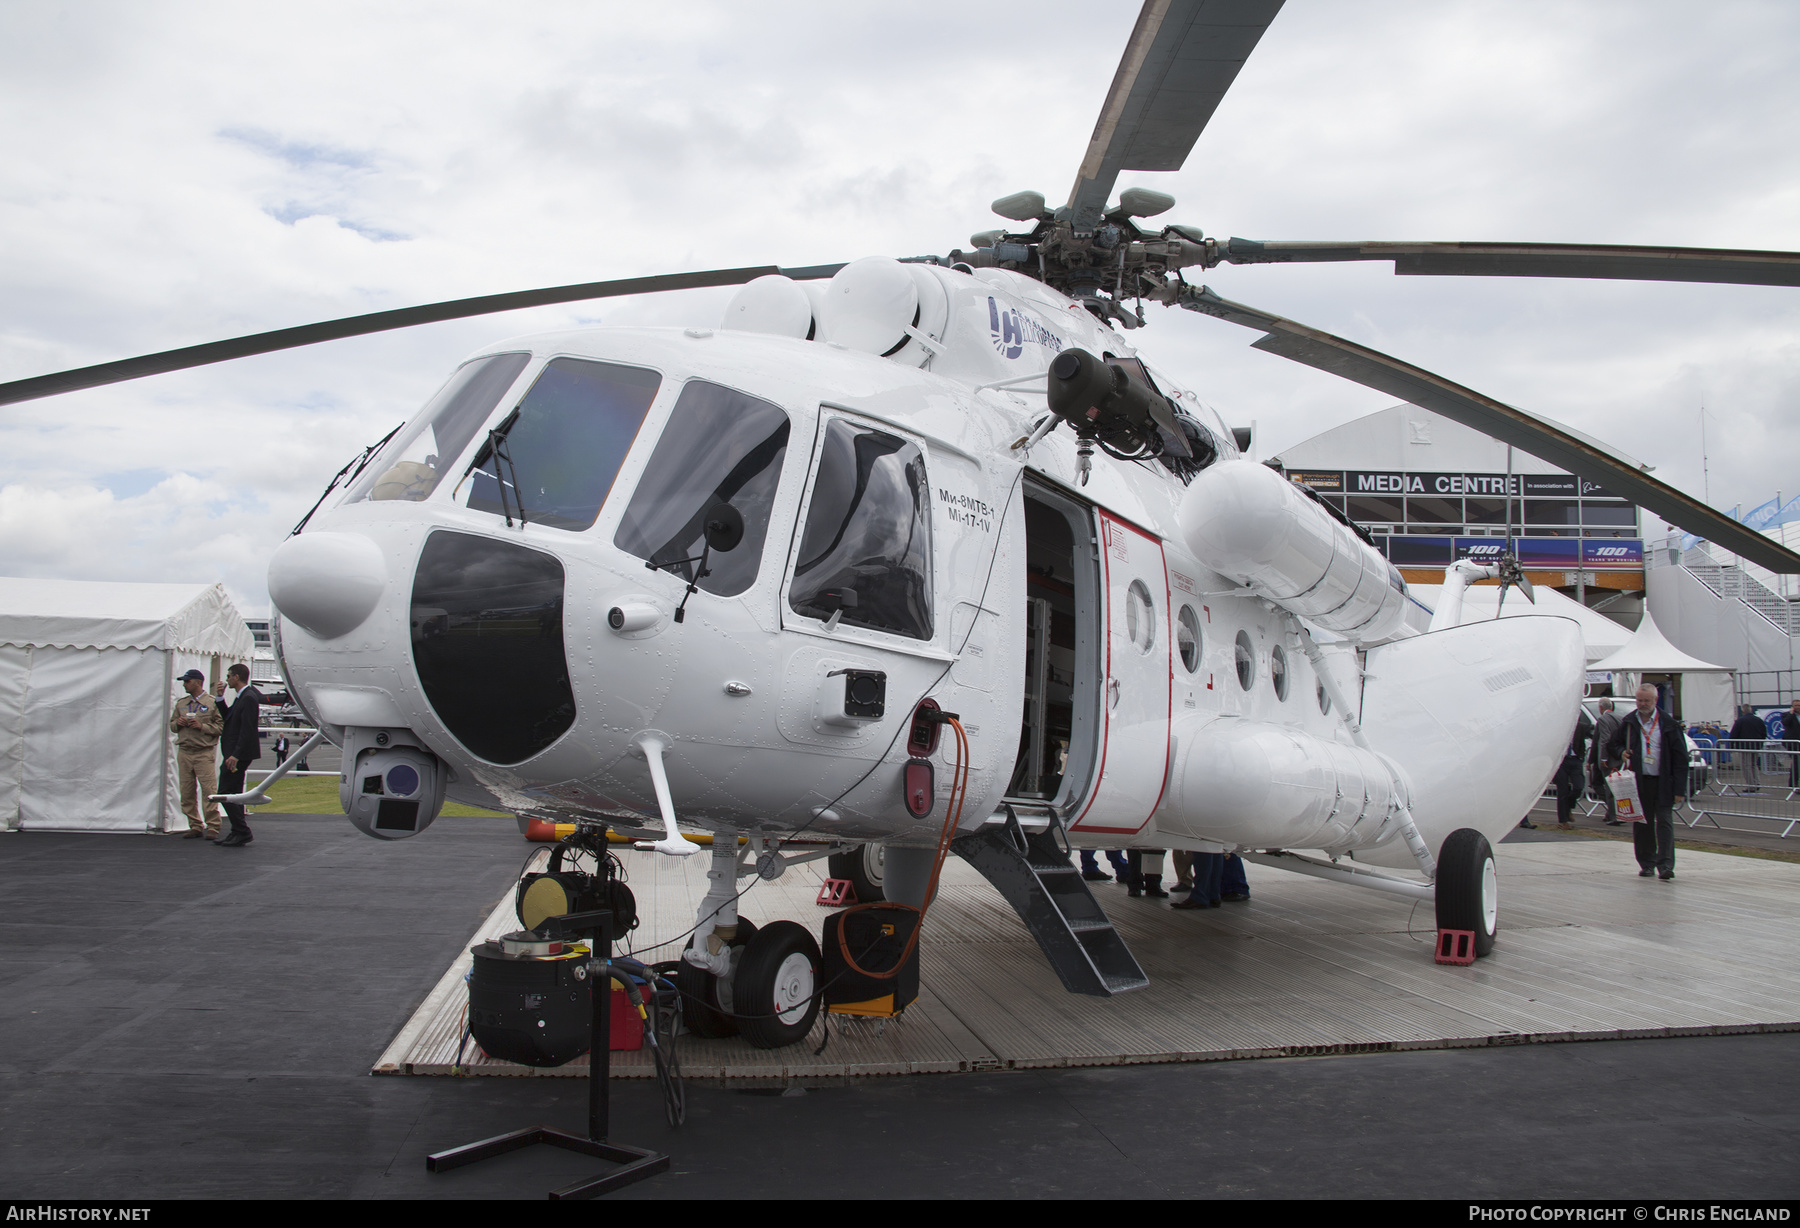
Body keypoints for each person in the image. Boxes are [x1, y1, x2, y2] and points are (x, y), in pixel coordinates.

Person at [1607, 683, 1687, 880]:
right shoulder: (1628, 722)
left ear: (1655, 701)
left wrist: (1679, 789)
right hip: (1640, 781)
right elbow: (1612, 744)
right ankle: (1647, 863)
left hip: (1663, 782)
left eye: (1646, 701)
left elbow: (1681, 758)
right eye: (1639, 700)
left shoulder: (1668, 724)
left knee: (1665, 823)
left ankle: (1666, 865)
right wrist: (1621, 752)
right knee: (1642, 824)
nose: (1642, 704)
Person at [168, 669, 224, 840]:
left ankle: (213, 826)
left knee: (208, 790)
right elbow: (171, 725)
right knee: (186, 792)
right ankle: (195, 824)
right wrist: (177, 723)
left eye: (187, 681)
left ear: (198, 682)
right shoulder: (181, 703)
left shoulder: (212, 703)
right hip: (184, 751)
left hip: (203, 752)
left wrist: (202, 726)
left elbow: (221, 727)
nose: (184, 684)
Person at [213, 664, 262, 848]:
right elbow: (230, 719)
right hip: (234, 752)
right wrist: (219, 698)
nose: (227, 679)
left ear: (236, 677)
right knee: (233, 794)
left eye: (229, 676)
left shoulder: (248, 698)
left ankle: (242, 830)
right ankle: (237, 831)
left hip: (237, 754)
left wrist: (236, 754)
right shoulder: (242, 697)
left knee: (225, 792)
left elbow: (247, 729)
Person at [1556, 708, 1596, 829]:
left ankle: (1569, 806)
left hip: (1575, 760)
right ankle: (1563, 821)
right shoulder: (1559, 730)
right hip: (1562, 762)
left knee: (1578, 787)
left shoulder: (1581, 727)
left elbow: (1594, 736)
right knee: (1562, 791)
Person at [1590, 698, 1623, 824]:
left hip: (1607, 760)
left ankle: (1613, 815)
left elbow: (1603, 740)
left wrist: (1602, 758)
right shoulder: (1620, 718)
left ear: (1600, 707)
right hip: (1617, 758)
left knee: (1607, 787)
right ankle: (1611, 812)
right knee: (1607, 786)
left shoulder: (1603, 720)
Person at [1728, 704, 1767, 792]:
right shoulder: (1758, 720)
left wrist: (1732, 746)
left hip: (1744, 746)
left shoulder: (1740, 721)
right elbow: (1764, 733)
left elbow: (1734, 734)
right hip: (1756, 746)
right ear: (1751, 710)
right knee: (1753, 764)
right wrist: (1760, 742)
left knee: (1746, 766)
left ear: (1743, 711)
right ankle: (1757, 783)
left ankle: (1751, 785)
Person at [1783, 699, 1799, 789]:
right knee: (1796, 762)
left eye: (1799, 705)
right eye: (1796, 706)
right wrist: (1791, 714)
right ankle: (1793, 783)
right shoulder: (1787, 715)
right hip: (1793, 742)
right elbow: (1785, 723)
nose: (1798, 707)